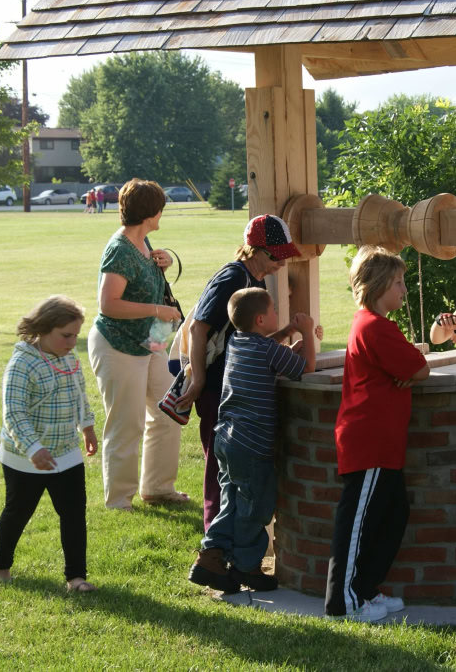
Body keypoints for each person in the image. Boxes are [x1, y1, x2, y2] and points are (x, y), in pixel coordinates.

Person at [175, 214, 301, 530]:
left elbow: (245, 341)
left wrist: (286, 332)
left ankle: (231, 544)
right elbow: (198, 327)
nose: (281, 264)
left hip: (231, 391)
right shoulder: (233, 277)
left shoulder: (254, 280)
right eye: (276, 256)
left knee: (233, 475)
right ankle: (215, 550)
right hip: (217, 390)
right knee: (219, 475)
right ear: (254, 249)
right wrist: (200, 381)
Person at [324, 246, 430, 623]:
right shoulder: (374, 325)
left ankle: (366, 590)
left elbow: (413, 363)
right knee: (357, 524)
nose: (404, 289)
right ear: (380, 284)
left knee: (392, 515)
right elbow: (419, 368)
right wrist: (413, 364)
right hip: (368, 441)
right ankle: (344, 601)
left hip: (383, 444)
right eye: (398, 282)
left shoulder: (377, 324)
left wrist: (411, 363)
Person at [187, 288, 317, 593]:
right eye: (273, 311)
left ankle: (211, 557)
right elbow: (307, 368)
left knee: (230, 500)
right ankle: (247, 567)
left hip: (226, 440)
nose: (276, 315)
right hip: (253, 445)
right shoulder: (267, 350)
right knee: (256, 505)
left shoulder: (237, 341)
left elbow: (268, 349)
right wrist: (308, 333)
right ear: (261, 319)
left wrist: (286, 332)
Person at [87, 178, 185, 511]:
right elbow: (108, 304)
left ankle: (157, 488)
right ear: (150, 212)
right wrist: (159, 310)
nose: (162, 215)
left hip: (150, 342)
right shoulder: (119, 249)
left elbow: (145, 281)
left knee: (169, 411)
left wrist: (162, 263)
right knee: (126, 424)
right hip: (117, 346)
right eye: (160, 209)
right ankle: (118, 501)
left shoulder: (144, 244)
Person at [0, 295, 98, 592]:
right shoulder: (22, 363)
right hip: (25, 457)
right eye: (66, 335)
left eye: (76, 335)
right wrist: (33, 448)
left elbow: (79, 394)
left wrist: (87, 426)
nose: (71, 342)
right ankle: (0, 568)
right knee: (18, 512)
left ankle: (76, 577)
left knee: (74, 514)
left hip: (66, 452)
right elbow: (14, 412)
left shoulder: (69, 358)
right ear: (43, 328)